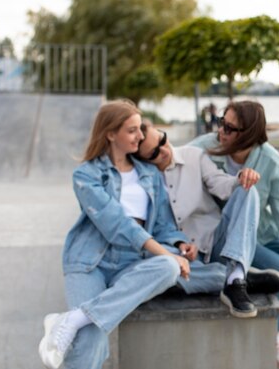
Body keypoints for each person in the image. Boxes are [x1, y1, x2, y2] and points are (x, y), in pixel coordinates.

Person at [38, 99, 202, 369]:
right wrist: (165, 252)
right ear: (110, 133)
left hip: (132, 261)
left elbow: (161, 224)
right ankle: (80, 322)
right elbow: (116, 224)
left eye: (140, 129)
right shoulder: (86, 175)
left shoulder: (149, 174)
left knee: (168, 268)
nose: (140, 136)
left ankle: (73, 318)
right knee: (91, 338)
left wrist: (178, 243)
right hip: (90, 261)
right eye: (132, 130)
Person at [189, 100, 279, 369]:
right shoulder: (203, 148)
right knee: (277, 267)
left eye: (230, 127)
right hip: (222, 235)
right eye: (221, 122)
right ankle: (274, 343)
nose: (221, 131)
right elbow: (173, 163)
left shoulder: (271, 162)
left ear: (249, 134)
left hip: (263, 234)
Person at [134, 123, 279, 317]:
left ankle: (235, 276)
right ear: (145, 160)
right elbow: (156, 227)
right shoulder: (145, 179)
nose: (164, 150)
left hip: (216, 242)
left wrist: (240, 178)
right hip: (183, 256)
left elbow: (220, 183)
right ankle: (235, 279)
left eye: (162, 140)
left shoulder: (193, 156)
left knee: (247, 190)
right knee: (160, 269)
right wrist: (179, 245)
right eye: (154, 152)